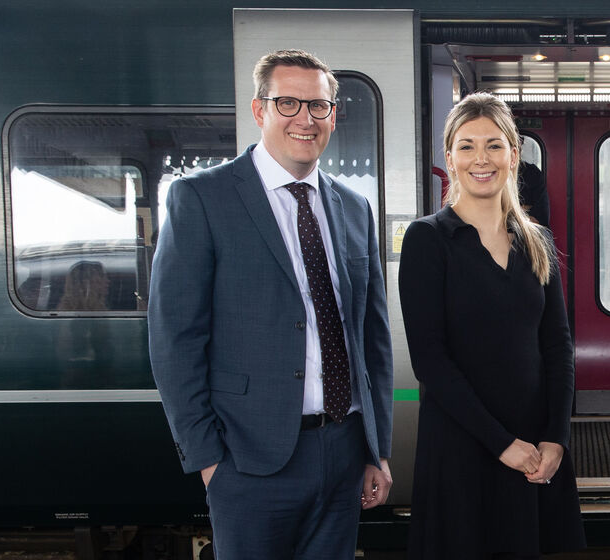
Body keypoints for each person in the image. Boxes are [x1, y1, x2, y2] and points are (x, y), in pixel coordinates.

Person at [148, 49, 393, 558]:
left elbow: (372, 338)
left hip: (343, 451)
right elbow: (175, 338)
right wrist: (210, 462)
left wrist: (376, 449)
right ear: (259, 111)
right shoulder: (202, 198)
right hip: (248, 461)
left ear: (332, 114)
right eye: (288, 104)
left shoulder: (353, 207)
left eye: (319, 106)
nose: (305, 119)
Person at [399, 92, 584, 559]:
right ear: (450, 158)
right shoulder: (428, 239)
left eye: (494, 145)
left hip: (535, 452)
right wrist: (503, 444)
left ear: (513, 155)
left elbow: (558, 346)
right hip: (461, 448)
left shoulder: (536, 241)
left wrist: (555, 439)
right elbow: (430, 360)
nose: (481, 158)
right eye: (467, 146)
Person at [518, 159, 551, 226]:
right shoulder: (495, 175)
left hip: (531, 234)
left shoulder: (531, 172)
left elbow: (540, 219)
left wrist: (508, 211)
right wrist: (523, 210)